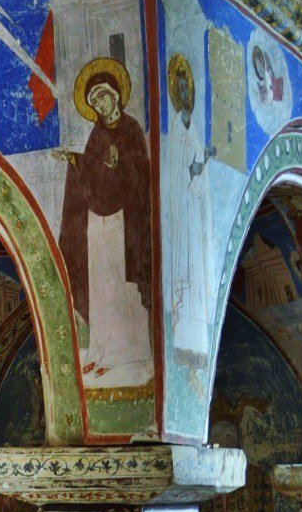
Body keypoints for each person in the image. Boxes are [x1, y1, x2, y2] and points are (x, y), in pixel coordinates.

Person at [57, 57, 152, 381]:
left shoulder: (132, 129)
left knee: (121, 285)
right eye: (94, 99)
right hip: (99, 224)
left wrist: (118, 164)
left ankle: (129, 352)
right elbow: (90, 171)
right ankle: (101, 350)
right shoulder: (97, 135)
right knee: (101, 285)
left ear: (116, 94)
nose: (100, 102)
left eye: (103, 95)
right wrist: (78, 160)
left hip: (126, 222)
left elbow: (139, 175)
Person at [165, 52, 216, 359]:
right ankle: (184, 339)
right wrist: (196, 168)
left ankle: (199, 341)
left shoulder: (194, 129)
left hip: (195, 214)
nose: (184, 95)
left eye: (188, 90)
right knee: (187, 273)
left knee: (197, 272)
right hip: (183, 213)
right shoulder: (175, 133)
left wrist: (203, 162)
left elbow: (197, 173)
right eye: (180, 90)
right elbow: (176, 174)